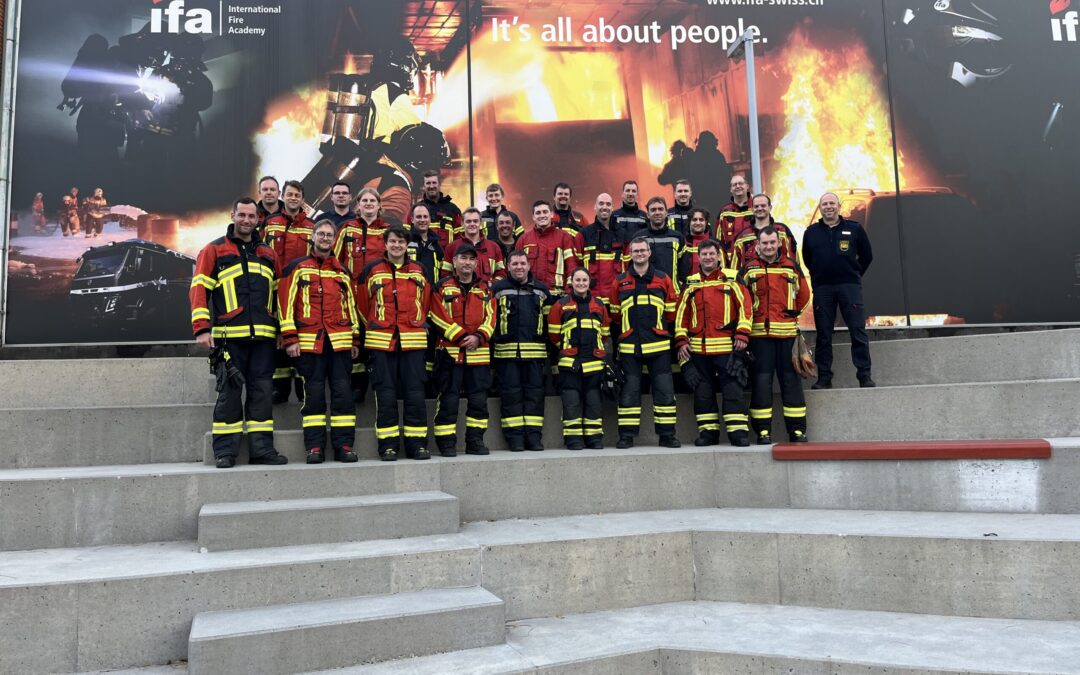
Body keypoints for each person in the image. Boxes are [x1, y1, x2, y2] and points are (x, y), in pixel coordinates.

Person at [189, 198, 288, 468]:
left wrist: (282, 330)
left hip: (264, 340)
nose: (246, 220)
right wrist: (202, 328)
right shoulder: (213, 250)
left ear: (258, 219)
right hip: (229, 338)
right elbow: (199, 290)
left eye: (251, 216)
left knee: (262, 394)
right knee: (230, 395)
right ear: (232, 215)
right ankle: (225, 452)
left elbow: (279, 296)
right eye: (242, 215)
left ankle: (262, 450)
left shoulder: (268, 253)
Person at [279, 220, 361, 463]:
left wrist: (355, 339)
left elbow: (351, 307)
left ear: (335, 240)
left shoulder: (342, 271)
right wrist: (290, 338)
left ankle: (344, 446)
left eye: (329, 235)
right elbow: (285, 305)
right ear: (313, 237)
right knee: (313, 396)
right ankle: (314, 447)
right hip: (309, 343)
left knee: (343, 395)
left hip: (340, 343)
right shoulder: (297, 267)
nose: (325, 238)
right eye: (321, 234)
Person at [357, 225, 433, 461]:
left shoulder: (420, 270)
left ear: (407, 245)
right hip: (381, 342)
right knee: (386, 395)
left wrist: (416, 323)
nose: (397, 245)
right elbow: (362, 305)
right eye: (393, 241)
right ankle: (388, 446)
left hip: (413, 341)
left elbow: (426, 302)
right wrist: (377, 324)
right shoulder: (371, 270)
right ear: (385, 243)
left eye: (401, 242)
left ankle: (417, 445)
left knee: (415, 394)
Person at [675, 238, 753, 447]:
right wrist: (681, 340)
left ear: (719, 256)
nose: (708, 257)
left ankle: (738, 433)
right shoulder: (690, 282)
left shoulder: (732, 278)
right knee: (702, 393)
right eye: (704, 254)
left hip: (727, 347)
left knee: (733, 390)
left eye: (712, 254)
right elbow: (681, 314)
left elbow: (746, 308)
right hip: (698, 350)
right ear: (698, 257)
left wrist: (742, 334)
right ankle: (708, 433)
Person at [741, 226, 812, 443]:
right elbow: (741, 300)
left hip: (787, 336)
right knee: (761, 384)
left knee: (791, 383)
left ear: (779, 243)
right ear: (758, 244)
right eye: (765, 243)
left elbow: (804, 295)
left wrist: (791, 314)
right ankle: (763, 431)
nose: (769, 246)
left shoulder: (791, 266)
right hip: (759, 337)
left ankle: (797, 431)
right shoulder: (749, 268)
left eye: (772, 242)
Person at [609, 237, 679, 449]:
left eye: (642, 250)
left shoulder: (663, 279)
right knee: (629, 393)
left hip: (659, 347)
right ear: (630, 254)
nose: (639, 254)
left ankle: (667, 435)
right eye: (635, 251)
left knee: (664, 392)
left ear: (649, 253)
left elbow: (671, 313)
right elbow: (615, 315)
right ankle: (626, 436)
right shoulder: (619, 281)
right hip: (630, 347)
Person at [429, 243, 496, 456]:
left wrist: (478, 337)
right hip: (450, 354)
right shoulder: (442, 287)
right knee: (448, 400)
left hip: (478, 355)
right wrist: (460, 336)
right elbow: (436, 315)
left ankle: (475, 442)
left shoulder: (486, 289)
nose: (467, 262)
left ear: (476, 263)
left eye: (471, 259)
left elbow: (492, 318)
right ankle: (446, 443)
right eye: (463, 258)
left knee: (479, 403)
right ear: (454, 261)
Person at [802, 192, 875, 389]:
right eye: (824, 204)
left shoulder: (854, 228)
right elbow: (808, 259)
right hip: (823, 289)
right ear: (820, 208)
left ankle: (864, 376)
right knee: (824, 335)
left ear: (839, 206)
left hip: (849, 287)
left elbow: (867, 256)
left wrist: (853, 274)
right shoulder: (811, 233)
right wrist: (820, 275)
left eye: (832, 203)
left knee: (857, 331)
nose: (828, 207)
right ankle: (824, 378)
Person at [490, 250, 553, 451]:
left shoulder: (541, 290)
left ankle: (533, 438)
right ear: (508, 266)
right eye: (515, 264)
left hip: (535, 355)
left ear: (529, 265)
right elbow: (490, 321)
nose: (519, 267)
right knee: (511, 397)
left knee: (535, 397)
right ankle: (515, 439)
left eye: (522, 263)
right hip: (506, 355)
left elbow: (550, 324)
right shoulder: (497, 289)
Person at [334, 187, 390, 402]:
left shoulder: (387, 230)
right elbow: (335, 259)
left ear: (379, 205)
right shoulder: (347, 229)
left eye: (372, 201)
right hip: (351, 293)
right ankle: (357, 386)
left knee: (375, 337)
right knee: (354, 338)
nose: (368, 204)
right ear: (358, 205)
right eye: (364, 200)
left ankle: (378, 383)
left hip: (379, 294)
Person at [548, 267, 610, 450]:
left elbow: (604, 334)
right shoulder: (560, 305)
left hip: (594, 364)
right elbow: (554, 336)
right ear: (571, 282)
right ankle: (573, 439)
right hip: (570, 364)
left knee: (594, 402)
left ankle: (594, 438)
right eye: (578, 280)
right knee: (571, 402)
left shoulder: (599, 305)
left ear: (589, 282)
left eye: (584, 280)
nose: (581, 283)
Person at [264, 180, 314, 403]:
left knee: (301, 334)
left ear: (302, 199)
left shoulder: (312, 226)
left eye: (297, 195)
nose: (293, 198)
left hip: (303, 291)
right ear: (283, 197)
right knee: (277, 337)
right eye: (290, 194)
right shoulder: (269, 223)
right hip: (274, 289)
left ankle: (302, 388)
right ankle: (280, 387)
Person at [517, 200, 579, 296]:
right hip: (530, 296)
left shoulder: (564, 237)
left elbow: (571, 267)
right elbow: (516, 269)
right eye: (538, 213)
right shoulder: (523, 240)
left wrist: (569, 295)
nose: (542, 215)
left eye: (545, 212)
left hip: (557, 296)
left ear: (551, 214)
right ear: (533, 217)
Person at [577, 192, 622, 305]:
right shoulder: (584, 234)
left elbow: (628, 266)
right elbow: (576, 264)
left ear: (612, 208)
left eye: (608, 204)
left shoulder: (622, 235)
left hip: (617, 300)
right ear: (595, 207)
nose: (604, 207)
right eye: (601, 204)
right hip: (590, 300)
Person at [632, 196, 686, 291]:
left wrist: (680, 286)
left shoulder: (677, 237)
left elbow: (684, 267)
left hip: (672, 292)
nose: (657, 212)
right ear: (648, 214)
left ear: (666, 213)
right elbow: (632, 266)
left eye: (660, 209)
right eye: (653, 210)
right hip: (646, 292)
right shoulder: (638, 237)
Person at [731, 193, 798, 267]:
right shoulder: (742, 236)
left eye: (763, 205)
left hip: (779, 273)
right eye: (756, 206)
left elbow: (794, 261)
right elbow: (734, 268)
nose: (759, 208)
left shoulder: (782, 231)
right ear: (752, 209)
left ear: (770, 207)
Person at [441, 207, 505, 283]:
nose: (472, 224)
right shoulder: (451, 247)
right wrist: (456, 286)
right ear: (462, 223)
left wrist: (492, 284)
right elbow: (445, 274)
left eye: (475, 221)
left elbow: (501, 274)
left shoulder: (494, 247)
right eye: (468, 221)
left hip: (487, 290)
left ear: (481, 223)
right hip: (460, 290)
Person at [412, 170, 461, 248]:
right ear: (424, 186)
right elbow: (407, 236)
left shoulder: (452, 209)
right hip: (422, 255)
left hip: (446, 255)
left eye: (434, 183)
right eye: (428, 183)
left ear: (439, 184)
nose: (431, 186)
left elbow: (460, 238)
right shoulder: (416, 210)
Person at [681, 208, 723, 280]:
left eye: (701, 220)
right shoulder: (682, 243)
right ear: (689, 222)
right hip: (688, 285)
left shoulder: (716, 243)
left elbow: (723, 267)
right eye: (694, 220)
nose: (698, 223)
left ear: (706, 222)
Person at [407, 202, 442, 284]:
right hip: (411, 290)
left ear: (430, 219)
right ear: (412, 219)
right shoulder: (405, 241)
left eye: (425, 217)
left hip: (432, 291)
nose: (422, 220)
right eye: (419, 217)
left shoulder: (436, 244)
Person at [717, 174, 753, 254]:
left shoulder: (757, 208)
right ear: (731, 189)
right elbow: (719, 241)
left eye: (740, 183)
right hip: (731, 260)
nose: (738, 186)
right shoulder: (724, 212)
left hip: (753, 259)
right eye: (734, 184)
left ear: (747, 186)